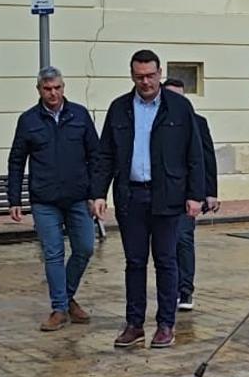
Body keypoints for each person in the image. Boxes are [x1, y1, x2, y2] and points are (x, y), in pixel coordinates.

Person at [93, 49, 204, 349]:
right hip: (131, 195)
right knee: (134, 262)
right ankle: (134, 324)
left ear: (160, 73)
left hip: (168, 195)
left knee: (167, 260)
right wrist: (98, 193)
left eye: (151, 75)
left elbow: (195, 153)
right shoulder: (119, 108)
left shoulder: (179, 108)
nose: (146, 82)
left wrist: (196, 195)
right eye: (140, 76)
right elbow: (106, 154)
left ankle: (166, 324)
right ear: (132, 76)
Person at [6, 67, 102, 331]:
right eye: (47, 89)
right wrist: (14, 199)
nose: (53, 93)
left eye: (57, 88)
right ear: (39, 90)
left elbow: (96, 156)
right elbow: (16, 160)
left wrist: (97, 194)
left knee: (85, 247)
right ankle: (59, 308)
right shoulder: (29, 120)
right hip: (44, 199)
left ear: (63, 87)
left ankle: (66, 295)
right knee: (53, 253)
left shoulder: (79, 115)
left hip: (78, 197)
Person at [163, 78, 219, 310]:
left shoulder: (197, 122)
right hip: (161, 194)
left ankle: (185, 290)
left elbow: (206, 156)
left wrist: (210, 192)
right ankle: (169, 289)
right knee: (166, 245)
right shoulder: (155, 122)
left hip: (189, 194)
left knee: (184, 240)